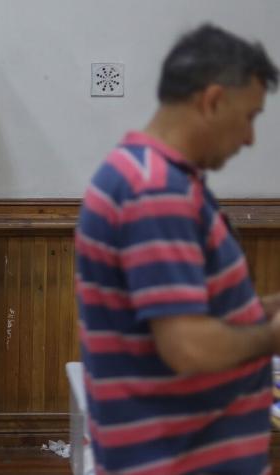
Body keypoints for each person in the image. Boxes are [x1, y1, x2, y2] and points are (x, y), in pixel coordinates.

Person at [76, 24, 280, 474]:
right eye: (250, 116)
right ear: (211, 101)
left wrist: (264, 309)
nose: (250, 139)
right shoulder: (155, 190)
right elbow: (187, 346)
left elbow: (190, 311)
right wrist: (272, 336)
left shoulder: (150, 178)